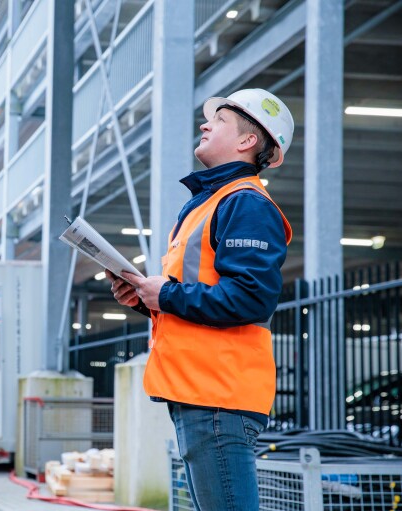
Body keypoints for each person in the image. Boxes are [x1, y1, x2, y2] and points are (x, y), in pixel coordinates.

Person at [107, 88, 294, 510]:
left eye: (220, 121)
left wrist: (166, 293)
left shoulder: (244, 203)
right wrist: (144, 298)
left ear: (248, 141)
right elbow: (201, 293)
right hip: (202, 391)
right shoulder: (206, 205)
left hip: (218, 393)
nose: (205, 124)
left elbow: (249, 298)